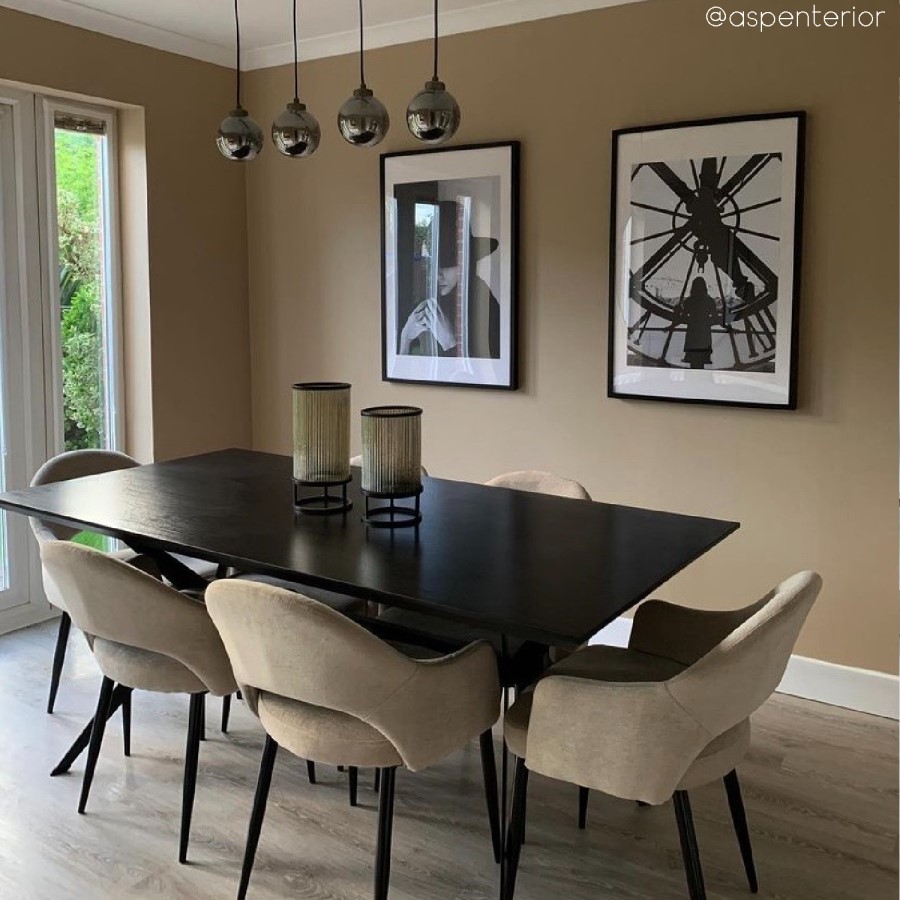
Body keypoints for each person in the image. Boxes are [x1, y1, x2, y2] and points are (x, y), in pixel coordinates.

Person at [398, 201, 500, 359]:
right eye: (432, 265)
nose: (438, 275)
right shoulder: (423, 300)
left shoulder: (483, 303)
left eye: (447, 264)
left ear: (466, 262)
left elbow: (488, 370)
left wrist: (449, 342)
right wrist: (405, 338)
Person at [679, 276, 718, 369]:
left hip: (692, 335)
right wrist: (705, 323)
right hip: (704, 335)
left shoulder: (688, 301)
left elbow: (683, 318)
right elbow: (715, 318)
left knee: (694, 363)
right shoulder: (710, 301)